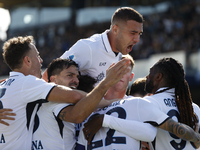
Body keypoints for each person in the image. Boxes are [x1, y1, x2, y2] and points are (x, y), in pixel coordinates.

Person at [0, 35, 130, 149]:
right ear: (28, 60)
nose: (41, 61)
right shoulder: (29, 84)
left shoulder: (7, 85)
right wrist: (107, 88)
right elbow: (74, 100)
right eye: (38, 56)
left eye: (77, 76)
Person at [79, 57, 200, 150]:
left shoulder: (147, 102)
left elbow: (149, 133)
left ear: (158, 77)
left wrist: (104, 120)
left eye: (150, 73)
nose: (147, 76)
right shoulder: (194, 108)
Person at [42, 7, 144, 84]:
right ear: (115, 30)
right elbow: (48, 76)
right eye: (132, 33)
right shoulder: (89, 47)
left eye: (139, 34)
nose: (137, 40)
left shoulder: (118, 54)